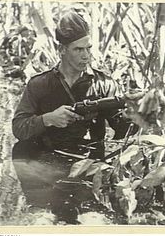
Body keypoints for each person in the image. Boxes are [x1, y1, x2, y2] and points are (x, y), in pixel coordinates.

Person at [12, 11, 137, 159]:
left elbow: (122, 130)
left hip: (90, 163)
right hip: (46, 161)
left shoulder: (104, 84)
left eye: (88, 48)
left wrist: (138, 113)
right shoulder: (39, 84)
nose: (86, 56)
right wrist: (48, 119)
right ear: (62, 50)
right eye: (78, 49)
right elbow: (18, 128)